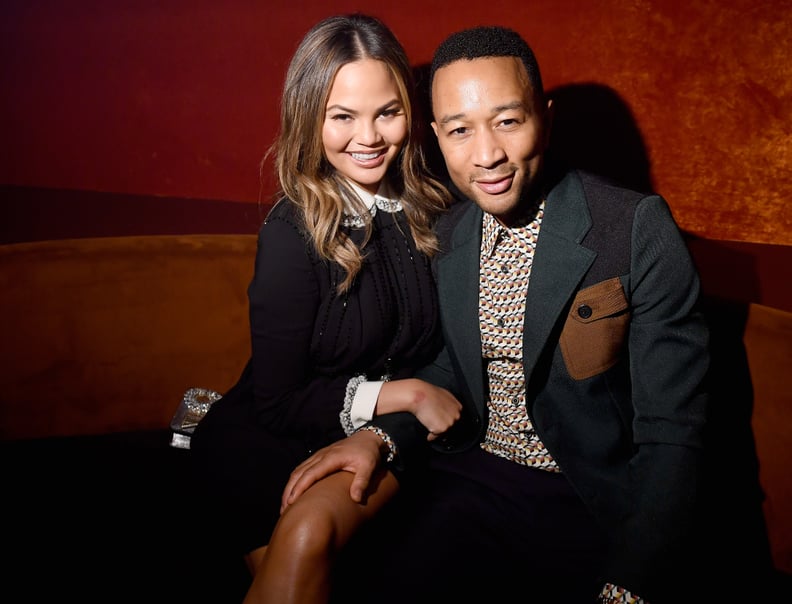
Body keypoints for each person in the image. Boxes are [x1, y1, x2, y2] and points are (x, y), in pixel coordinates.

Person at [281, 25, 711, 604]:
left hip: (587, 500)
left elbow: (674, 433)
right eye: (460, 131)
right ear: (435, 136)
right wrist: (380, 436)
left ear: (545, 117)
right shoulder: (449, 230)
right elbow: (447, 370)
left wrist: (634, 580)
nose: (487, 156)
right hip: (467, 480)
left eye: (509, 121)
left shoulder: (634, 228)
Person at [188, 13, 463, 604]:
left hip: (379, 438)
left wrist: (396, 417)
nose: (368, 137)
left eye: (386, 112)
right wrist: (407, 394)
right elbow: (279, 401)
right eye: (342, 116)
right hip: (262, 446)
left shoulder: (437, 208)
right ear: (310, 119)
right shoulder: (292, 232)